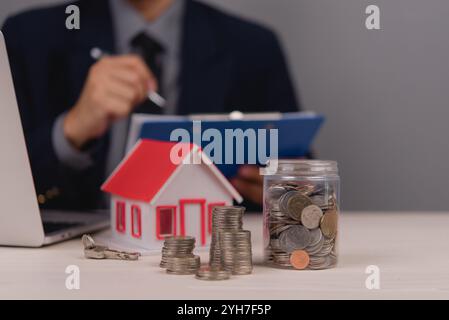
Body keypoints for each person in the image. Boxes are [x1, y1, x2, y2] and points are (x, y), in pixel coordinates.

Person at [2, 0, 299, 210]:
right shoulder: (28, 37)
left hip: (209, 261)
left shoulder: (253, 47)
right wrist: (71, 130)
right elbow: (9, 190)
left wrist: (278, 191)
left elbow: (298, 176)